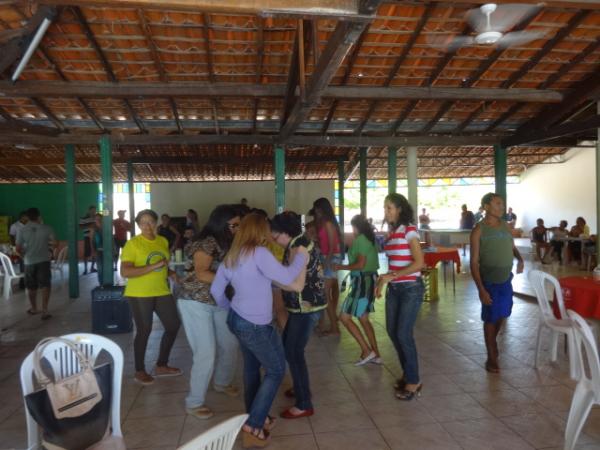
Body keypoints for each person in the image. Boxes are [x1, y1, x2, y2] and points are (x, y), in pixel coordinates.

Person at [211, 213, 308, 448]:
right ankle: (253, 424)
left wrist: (232, 308)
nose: (269, 232)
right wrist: (301, 258)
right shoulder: (259, 253)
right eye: (266, 228)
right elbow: (286, 275)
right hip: (254, 325)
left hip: (240, 320)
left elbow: (216, 291)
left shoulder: (232, 255)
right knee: (275, 370)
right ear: (259, 231)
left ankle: (257, 415)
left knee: (252, 370)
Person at [177, 205, 241, 420]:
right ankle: (194, 402)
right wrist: (234, 279)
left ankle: (222, 382)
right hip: (195, 301)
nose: (237, 228)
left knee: (230, 343)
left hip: (219, 300)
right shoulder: (205, 242)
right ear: (221, 223)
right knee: (205, 352)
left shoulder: (229, 241)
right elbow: (202, 273)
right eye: (234, 225)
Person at [271, 211, 326, 419]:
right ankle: (301, 387)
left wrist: (269, 278)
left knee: (294, 352)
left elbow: (296, 284)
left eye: (276, 237)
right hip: (302, 307)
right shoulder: (298, 242)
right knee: (290, 348)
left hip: (305, 307)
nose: (275, 241)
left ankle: (304, 403)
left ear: (285, 233)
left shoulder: (298, 247)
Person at [120, 209, 182, 385]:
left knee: (173, 325)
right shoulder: (133, 244)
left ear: (157, 223)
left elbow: (162, 265)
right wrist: (154, 266)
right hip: (140, 293)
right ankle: (139, 370)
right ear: (138, 225)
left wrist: (169, 272)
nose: (148, 226)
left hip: (161, 290)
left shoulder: (162, 241)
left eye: (151, 222)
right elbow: (125, 272)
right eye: (143, 222)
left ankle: (162, 364)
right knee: (144, 330)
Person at [375, 194, 424, 400]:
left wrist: (391, 276)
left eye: (390, 208)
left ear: (400, 210)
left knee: (403, 334)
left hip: (410, 288)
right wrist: (381, 282)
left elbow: (419, 263)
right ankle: (408, 372)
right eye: (385, 208)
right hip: (395, 289)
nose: (386, 212)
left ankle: (413, 381)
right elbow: (394, 262)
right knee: (393, 332)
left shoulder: (409, 230)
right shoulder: (393, 232)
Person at [470, 193, 524, 373]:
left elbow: (511, 246)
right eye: (497, 204)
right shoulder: (479, 230)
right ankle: (491, 356)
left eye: (502, 204)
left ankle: (492, 342)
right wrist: (481, 289)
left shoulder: (505, 226)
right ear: (486, 207)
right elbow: (473, 262)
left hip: (505, 280)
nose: (501, 207)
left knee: (502, 313)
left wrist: (520, 259)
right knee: (491, 318)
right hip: (489, 282)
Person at [333, 215, 381, 366]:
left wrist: (341, 267)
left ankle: (368, 351)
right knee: (363, 319)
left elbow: (360, 264)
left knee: (345, 317)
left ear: (356, 227)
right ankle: (375, 354)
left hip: (363, 283)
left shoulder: (360, 240)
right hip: (366, 282)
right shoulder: (366, 239)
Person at [16, 208, 55, 320]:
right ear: (39, 216)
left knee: (31, 286)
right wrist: (50, 248)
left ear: (27, 217)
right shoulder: (47, 228)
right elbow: (55, 243)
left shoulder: (21, 230)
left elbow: (18, 249)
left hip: (29, 262)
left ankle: (34, 308)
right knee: (45, 285)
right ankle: (45, 311)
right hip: (44, 260)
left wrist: (24, 257)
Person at [312, 198, 342, 336]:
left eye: (318, 209)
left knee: (325, 294)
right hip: (326, 257)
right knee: (324, 294)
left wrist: (325, 263)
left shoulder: (329, 223)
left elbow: (331, 246)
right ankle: (326, 323)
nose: (316, 212)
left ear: (323, 209)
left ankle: (334, 328)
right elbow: (324, 244)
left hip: (331, 258)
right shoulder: (323, 223)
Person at [9, 211, 28, 289]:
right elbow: (11, 236)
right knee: (23, 265)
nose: (27, 219)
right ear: (21, 217)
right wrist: (14, 247)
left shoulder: (29, 225)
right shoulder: (15, 226)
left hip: (29, 247)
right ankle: (22, 282)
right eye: (26, 217)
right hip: (20, 248)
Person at [79, 205, 97, 274]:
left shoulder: (96, 218)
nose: (93, 212)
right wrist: (89, 226)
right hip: (87, 237)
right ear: (89, 210)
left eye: (94, 210)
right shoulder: (84, 218)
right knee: (86, 253)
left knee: (95, 252)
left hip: (95, 237)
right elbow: (80, 227)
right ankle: (85, 269)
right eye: (92, 210)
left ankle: (92, 268)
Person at [91, 213, 104, 286]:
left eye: (99, 219)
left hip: (106, 251)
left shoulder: (105, 228)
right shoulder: (93, 229)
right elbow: (91, 241)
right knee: (100, 268)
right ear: (94, 220)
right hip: (98, 251)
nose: (98, 220)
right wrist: (93, 251)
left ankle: (106, 283)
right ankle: (101, 283)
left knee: (106, 268)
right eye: (96, 219)